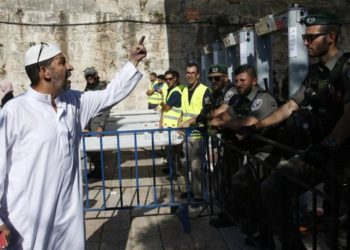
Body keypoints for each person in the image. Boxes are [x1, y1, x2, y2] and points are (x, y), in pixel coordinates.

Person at [0, 38, 146, 249]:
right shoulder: (14, 111)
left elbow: (110, 94)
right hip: (27, 223)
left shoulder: (74, 102)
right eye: (62, 62)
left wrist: (133, 61)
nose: (70, 67)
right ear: (45, 71)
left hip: (67, 221)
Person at [245, 12, 350, 249]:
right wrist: (258, 125)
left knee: (338, 226)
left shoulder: (346, 69)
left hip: (342, 157)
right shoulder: (316, 74)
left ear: (331, 37)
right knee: (272, 188)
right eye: (304, 37)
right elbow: (291, 106)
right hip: (320, 153)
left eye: (311, 38)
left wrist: (330, 144)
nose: (305, 42)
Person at [209, 65, 278, 232]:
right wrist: (230, 123)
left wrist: (230, 123)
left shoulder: (263, 99)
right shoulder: (241, 99)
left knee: (247, 185)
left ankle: (261, 227)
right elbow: (219, 118)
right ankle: (250, 220)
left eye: (243, 80)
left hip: (268, 153)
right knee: (235, 182)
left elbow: (248, 123)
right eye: (237, 80)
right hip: (251, 151)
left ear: (254, 81)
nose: (238, 84)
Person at [180, 62, 212, 201]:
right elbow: (183, 111)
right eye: (188, 72)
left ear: (198, 75)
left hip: (197, 132)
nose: (190, 75)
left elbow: (206, 112)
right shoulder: (184, 90)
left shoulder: (205, 91)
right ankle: (191, 190)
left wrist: (190, 122)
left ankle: (199, 194)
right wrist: (179, 125)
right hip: (186, 133)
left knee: (196, 164)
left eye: (193, 73)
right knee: (186, 163)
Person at [82, 67, 111, 178]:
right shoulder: (88, 87)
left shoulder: (102, 87)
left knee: (96, 148)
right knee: (90, 148)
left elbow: (106, 108)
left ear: (96, 75)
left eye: (91, 75)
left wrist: (101, 126)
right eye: (87, 76)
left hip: (97, 122)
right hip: (88, 121)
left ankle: (100, 172)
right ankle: (97, 170)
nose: (89, 78)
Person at [158, 69, 183, 176]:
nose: (167, 81)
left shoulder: (176, 92)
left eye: (170, 79)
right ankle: (173, 169)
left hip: (173, 126)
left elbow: (167, 107)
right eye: (166, 79)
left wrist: (160, 101)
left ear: (175, 79)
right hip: (169, 125)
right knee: (171, 151)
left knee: (172, 151)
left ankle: (174, 172)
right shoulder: (170, 90)